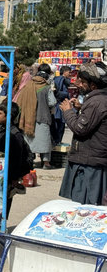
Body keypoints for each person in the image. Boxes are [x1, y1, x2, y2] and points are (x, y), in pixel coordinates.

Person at [59, 62, 107, 204]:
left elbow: (80, 128)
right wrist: (80, 109)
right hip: (91, 160)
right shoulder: (97, 100)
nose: (79, 84)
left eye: (83, 82)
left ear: (93, 86)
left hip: (90, 164)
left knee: (86, 206)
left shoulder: (96, 102)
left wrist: (68, 111)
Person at [0, 102, 32, 218]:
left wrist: (14, 178)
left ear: (9, 116)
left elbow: (17, 158)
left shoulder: (15, 134)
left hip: (9, 174)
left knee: (4, 202)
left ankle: (2, 224)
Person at [18, 65, 56, 169]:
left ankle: (31, 160)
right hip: (42, 117)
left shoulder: (28, 85)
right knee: (45, 140)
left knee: (30, 141)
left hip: (28, 118)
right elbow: (52, 102)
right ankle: (46, 163)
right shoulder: (46, 87)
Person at [52, 66, 72, 145]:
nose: (70, 74)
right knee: (59, 126)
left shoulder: (59, 79)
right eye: (69, 72)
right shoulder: (61, 79)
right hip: (59, 106)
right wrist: (66, 94)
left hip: (59, 106)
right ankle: (57, 142)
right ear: (64, 72)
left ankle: (57, 142)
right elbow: (58, 93)